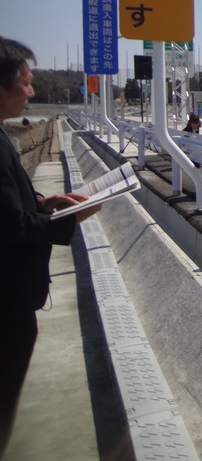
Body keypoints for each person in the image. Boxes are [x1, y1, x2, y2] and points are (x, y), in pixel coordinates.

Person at [0, 37, 102, 455]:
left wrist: (45, 202)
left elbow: (9, 205)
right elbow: (9, 224)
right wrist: (67, 219)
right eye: (24, 83)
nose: (31, 92)